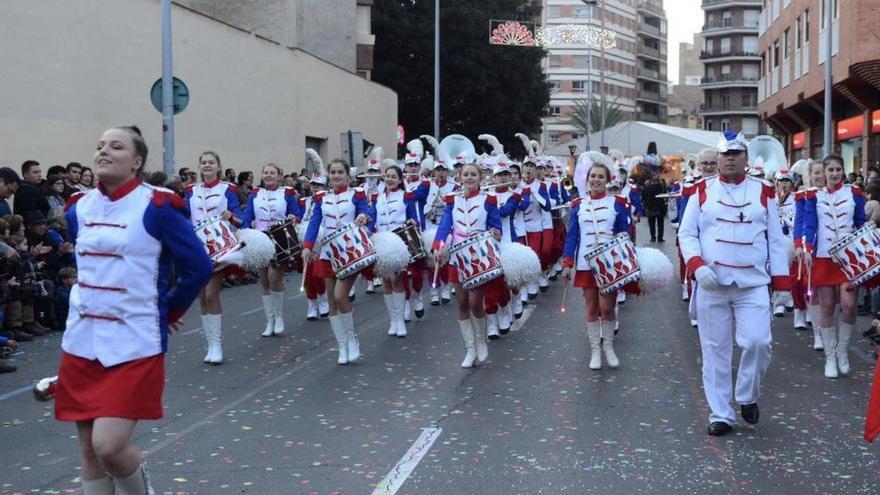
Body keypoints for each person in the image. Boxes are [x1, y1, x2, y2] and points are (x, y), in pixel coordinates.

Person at [57, 125, 212, 495]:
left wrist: (167, 312)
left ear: (137, 161)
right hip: (81, 342)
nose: (103, 152)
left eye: (116, 146)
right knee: (89, 451)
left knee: (109, 446)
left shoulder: (157, 206)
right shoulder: (78, 208)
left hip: (134, 343)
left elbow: (198, 268)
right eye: (99, 146)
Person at [678, 131, 791, 436]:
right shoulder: (700, 190)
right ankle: (721, 413)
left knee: (758, 342)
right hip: (712, 284)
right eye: (725, 154)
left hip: (753, 283)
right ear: (717, 158)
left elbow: (776, 240)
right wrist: (697, 266)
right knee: (715, 351)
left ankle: (747, 395)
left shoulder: (764, 191)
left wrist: (781, 282)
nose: (730, 158)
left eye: (736, 153)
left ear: (745, 157)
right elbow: (686, 234)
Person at [562, 155, 631, 370]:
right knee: (591, 307)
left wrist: (626, 260)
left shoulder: (618, 203)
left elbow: (624, 233)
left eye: (601, 176)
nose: (596, 180)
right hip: (585, 263)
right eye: (593, 176)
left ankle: (608, 346)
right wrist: (567, 263)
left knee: (607, 308)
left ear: (608, 179)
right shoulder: (577, 205)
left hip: (609, 265)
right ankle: (595, 350)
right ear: (587, 178)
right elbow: (572, 235)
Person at [301, 159, 373, 365]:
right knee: (332, 299)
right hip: (328, 253)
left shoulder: (356, 194)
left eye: (340, 172)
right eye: (333, 172)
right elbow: (315, 223)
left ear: (348, 176)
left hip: (350, 252)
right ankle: (342, 346)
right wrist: (307, 246)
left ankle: (352, 339)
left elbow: (367, 212)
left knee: (341, 296)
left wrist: (364, 217)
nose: (336, 175)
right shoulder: (321, 198)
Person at [801, 154, 867, 379]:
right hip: (823, 257)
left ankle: (842, 351)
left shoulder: (855, 193)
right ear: (825, 172)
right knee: (827, 306)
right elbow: (810, 224)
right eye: (831, 170)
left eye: (839, 169)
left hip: (850, 258)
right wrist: (808, 248)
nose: (835, 174)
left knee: (849, 305)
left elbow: (860, 222)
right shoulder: (813, 196)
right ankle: (830, 357)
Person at [432, 161, 502, 368]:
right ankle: (470, 349)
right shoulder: (452, 200)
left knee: (475, 303)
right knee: (462, 304)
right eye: (466, 174)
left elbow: (495, 224)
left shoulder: (488, 199)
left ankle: (481, 339)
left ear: (480, 178)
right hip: (457, 256)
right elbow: (445, 225)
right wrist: (438, 245)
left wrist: (496, 232)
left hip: (478, 256)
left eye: (473, 174)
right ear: (460, 177)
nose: (469, 178)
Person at [183, 151, 242, 364]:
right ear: (199, 167)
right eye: (203, 163)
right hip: (196, 247)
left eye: (211, 162)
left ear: (218, 166)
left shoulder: (228, 189)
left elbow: (239, 216)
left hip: (219, 247)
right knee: (201, 296)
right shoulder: (190, 191)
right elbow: (183, 215)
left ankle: (217, 345)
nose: (207, 166)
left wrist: (232, 216)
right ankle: (210, 344)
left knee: (211, 294)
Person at [241, 163, 302, 337]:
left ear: (279, 176)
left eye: (272, 173)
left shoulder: (287, 193)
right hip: (260, 240)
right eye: (266, 173)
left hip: (280, 239)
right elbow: (248, 216)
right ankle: (270, 320)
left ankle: (279, 317)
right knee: (264, 281)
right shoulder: (255, 194)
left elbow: (296, 213)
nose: (268, 176)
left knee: (274, 277)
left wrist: (293, 217)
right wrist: (246, 231)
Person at [371, 164, 419, 337]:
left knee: (397, 280)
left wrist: (414, 222)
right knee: (385, 281)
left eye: (393, 176)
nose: (390, 179)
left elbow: (413, 216)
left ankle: (400, 321)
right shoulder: (377, 197)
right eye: (387, 176)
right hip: (381, 242)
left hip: (399, 243)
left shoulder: (406, 196)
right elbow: (373, 218)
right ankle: (393, 320)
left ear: (400, 179)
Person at [793, 159, 826, 349]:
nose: (820, 177)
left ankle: (828, 328)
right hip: (811, 248)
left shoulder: (839, 195)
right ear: (810, 175)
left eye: (823, 172)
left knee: (831, 296)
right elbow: (799, 222)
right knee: (812, 291)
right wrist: (799, 244)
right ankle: (818, 334)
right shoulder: (803, 196)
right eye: (816, 173)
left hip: (832, 250)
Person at [642, 173, 668, 242]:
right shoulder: (662, 188)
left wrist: (647, 204)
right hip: (660, 208)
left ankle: (653, 237)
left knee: (652, 224)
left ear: (652, 181)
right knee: (660, 224)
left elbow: (643, 197)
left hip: (650, 208)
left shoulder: (647, 188)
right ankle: (660, 238)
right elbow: (665, 198)